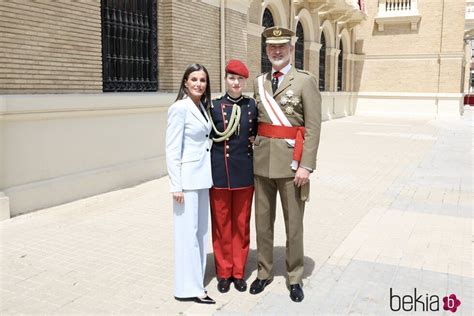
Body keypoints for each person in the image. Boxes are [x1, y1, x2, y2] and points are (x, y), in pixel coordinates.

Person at [249, 26, 322, 303]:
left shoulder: (304, 81)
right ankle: (264, 271)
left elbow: (313, 128)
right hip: (261, 163)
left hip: (293, 166)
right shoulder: (259, 82)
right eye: (271, 47)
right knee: (263, 223)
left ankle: (294, 276)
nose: (276, 51)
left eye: (282, 47)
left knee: (294, 225)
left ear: (291, 49)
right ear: (267, 51)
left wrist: (307, 165)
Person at [165, 63, 216, 304]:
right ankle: (191, 289)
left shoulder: (202, 107)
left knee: (200, 234)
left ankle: (194, 282)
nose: (198, 83)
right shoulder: (179, 108)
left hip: (203, 178)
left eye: (202, 80)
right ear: (185, 82)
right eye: (193, 79)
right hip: (186, 182)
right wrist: (176, 185)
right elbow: (172, 150)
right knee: (187, 235)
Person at [208, 60, 258, 293]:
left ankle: (238, 272)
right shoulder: (214, 106)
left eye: (239, 79)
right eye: (231, 78)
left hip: (245, 173)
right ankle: (223, 273)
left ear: (245, 81)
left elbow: (258, 134)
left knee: (241, 225)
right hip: (219, 173)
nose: (235, 82)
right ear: (225, 79)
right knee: (221, 225)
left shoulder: (252, 106)